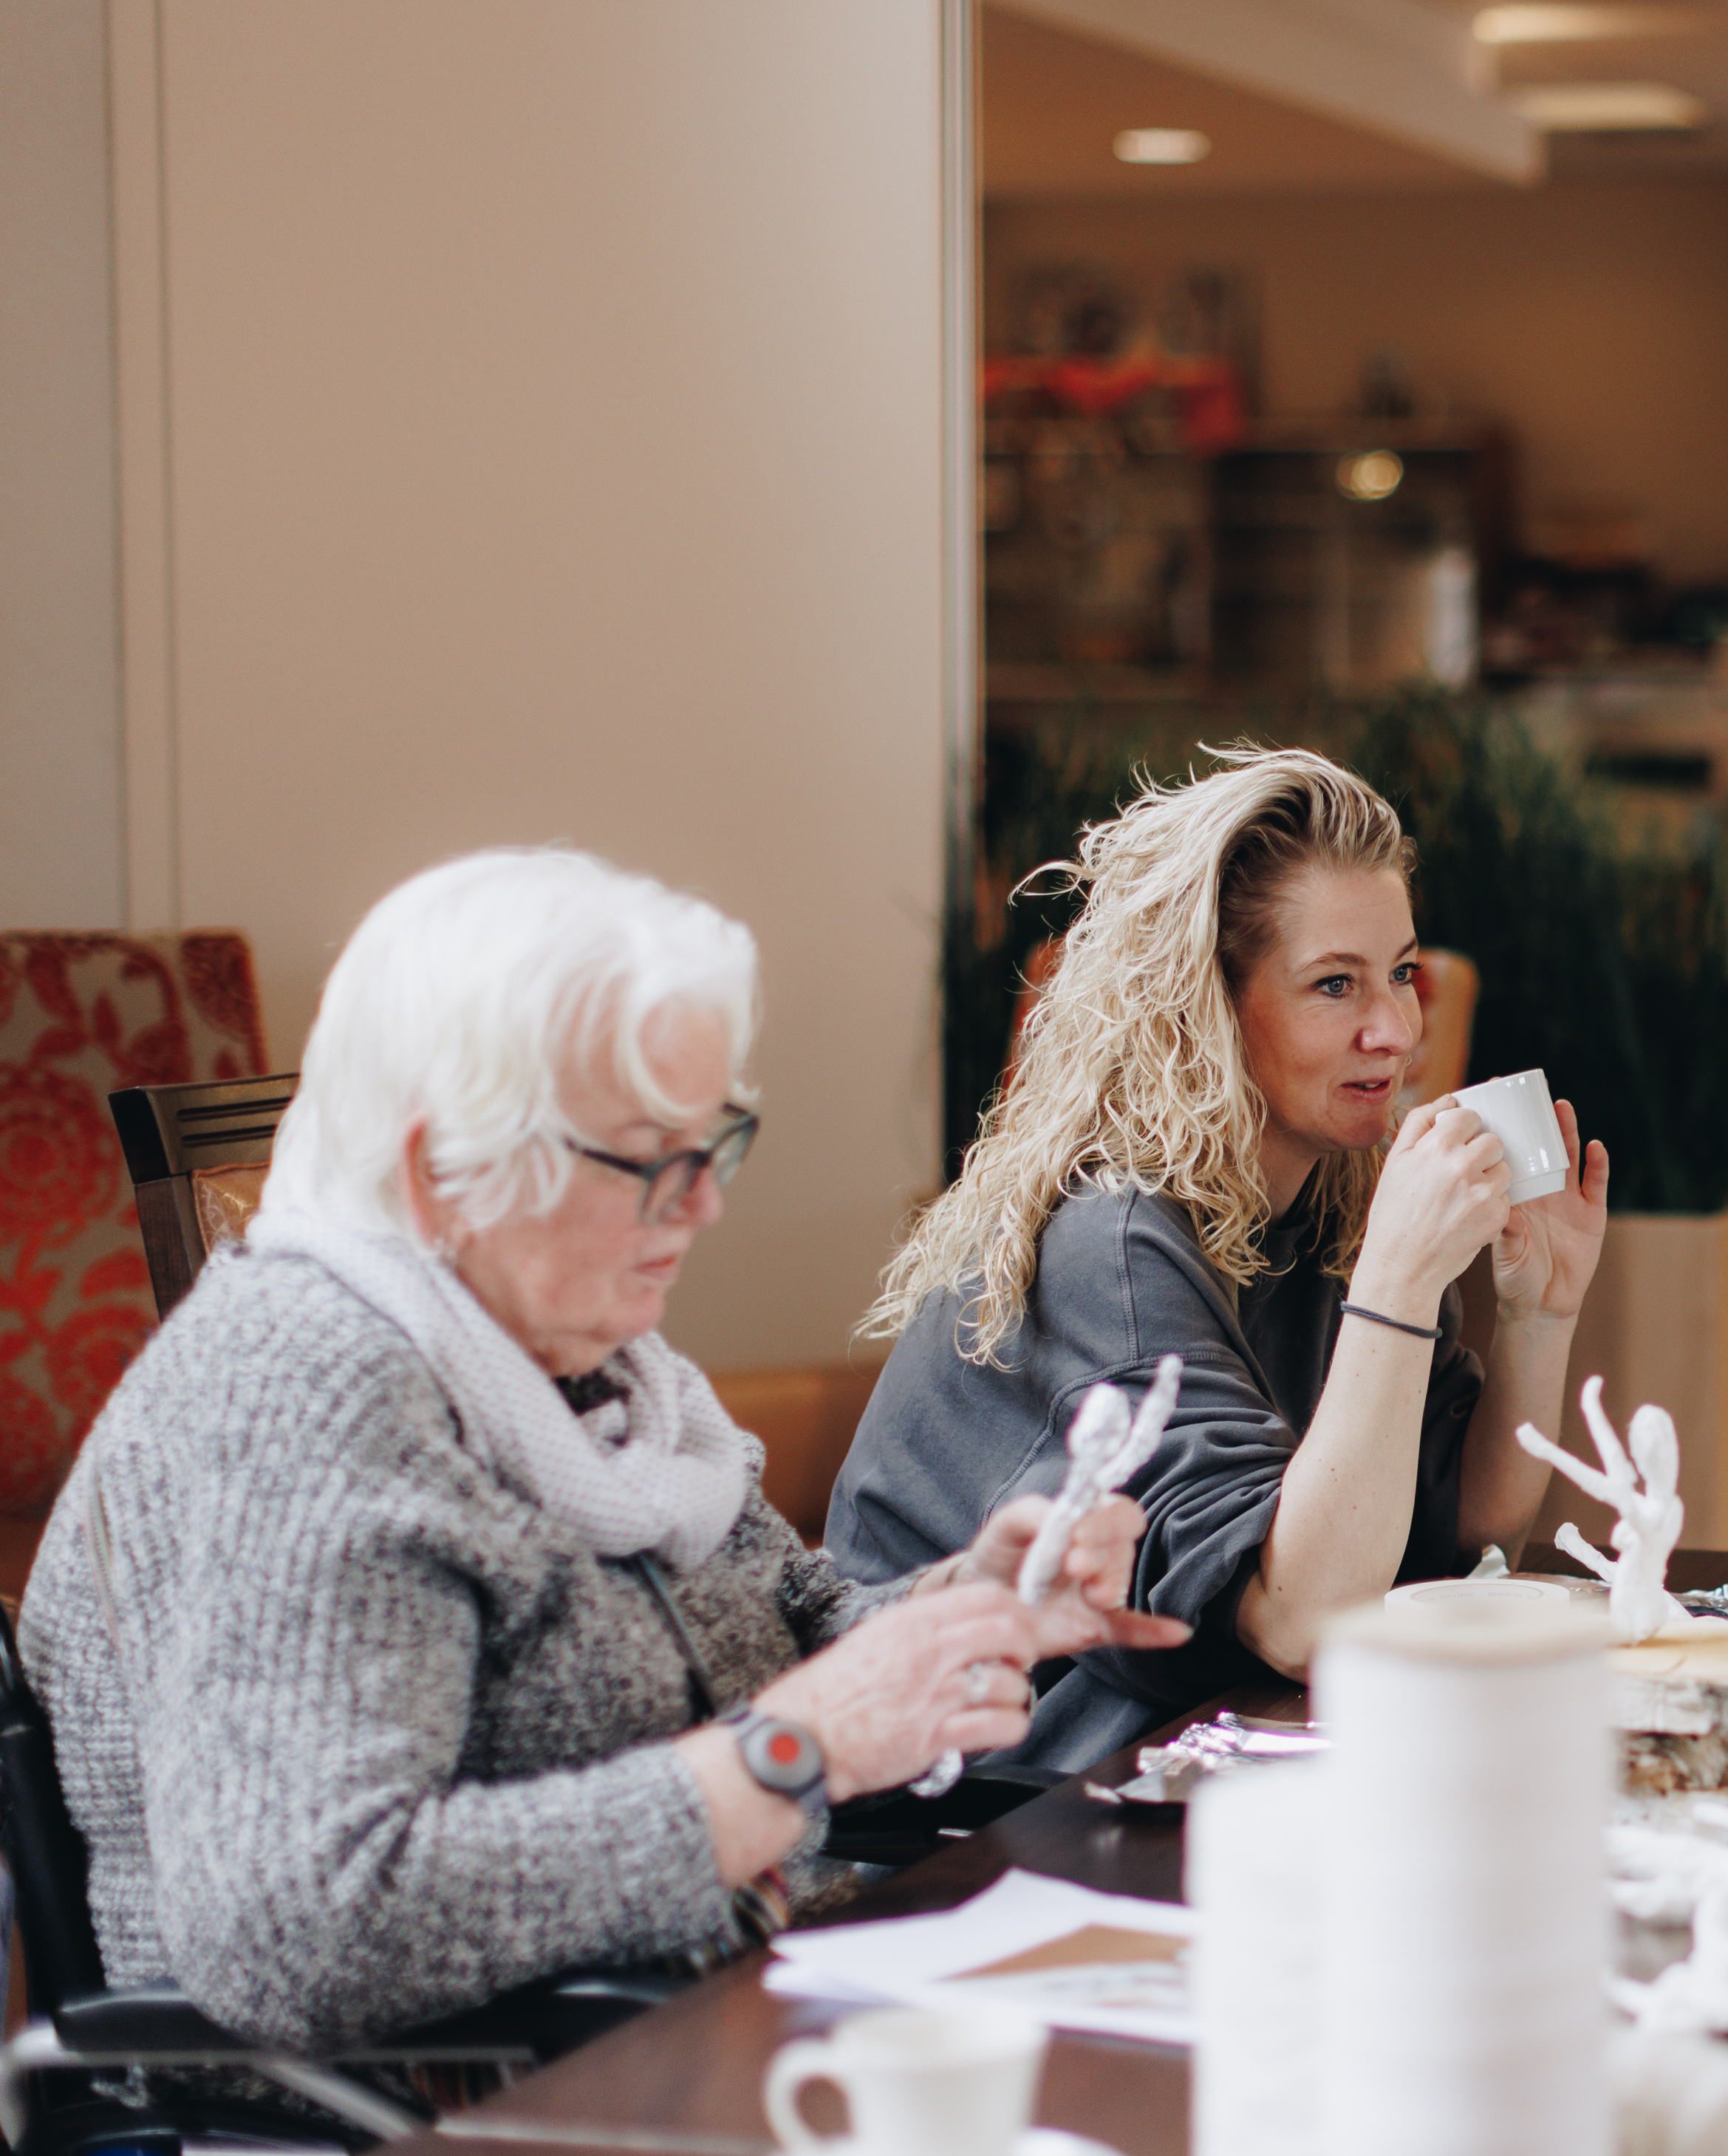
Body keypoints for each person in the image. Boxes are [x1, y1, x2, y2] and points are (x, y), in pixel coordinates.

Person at [18, 850, 1181, 2056]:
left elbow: (781, 1634)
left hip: (694, 2026)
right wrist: (784, 1758)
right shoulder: (306, 1391)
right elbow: (301, 1928)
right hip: (436, 2145)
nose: (704, 1205)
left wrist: (964, 1605)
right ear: (436, 1175)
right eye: (646, 1160)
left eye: (712, 1141)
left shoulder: (586, 1371)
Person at [831, 750, 1609, 1769]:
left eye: (1402, 973)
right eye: (1335, 984)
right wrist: (1401, 1281)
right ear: (1209, 1008)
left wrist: (1538, 1313)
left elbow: (1458, 1520)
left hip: (1185, 1756)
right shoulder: (1109, 1237)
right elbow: (1300, 1618)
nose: (1397, 1028)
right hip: (971, 1813)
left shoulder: (1328, 1198)